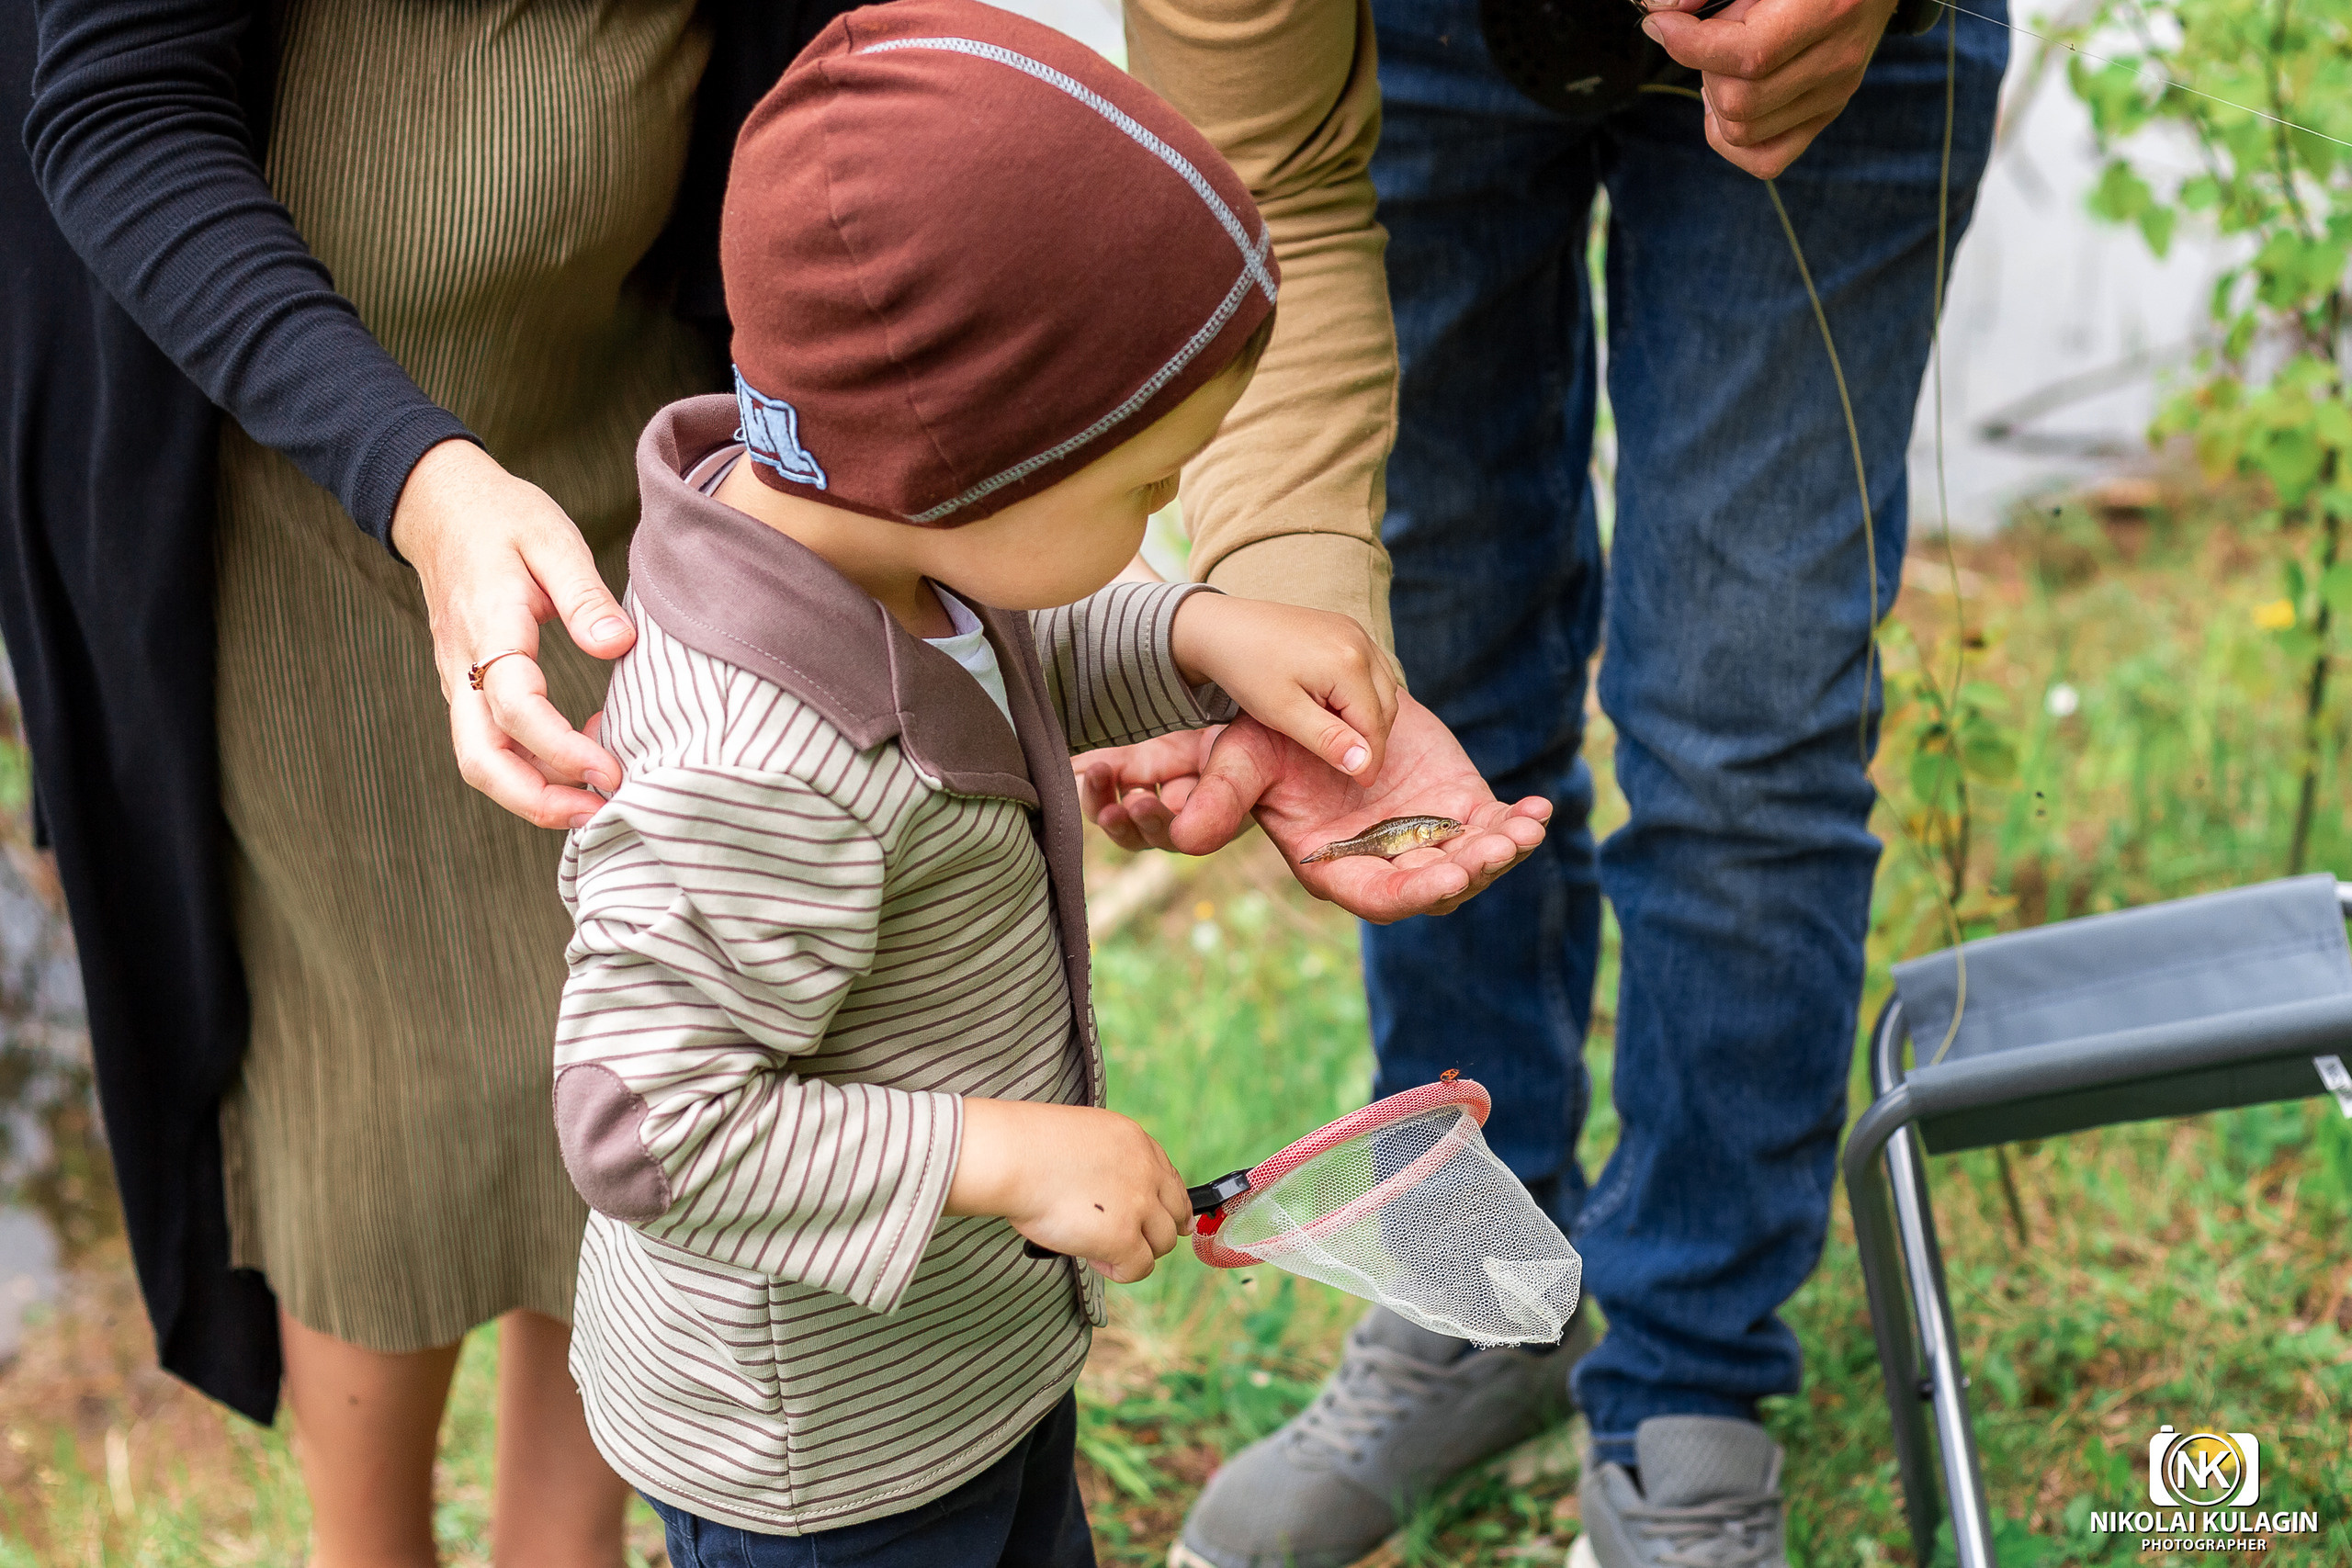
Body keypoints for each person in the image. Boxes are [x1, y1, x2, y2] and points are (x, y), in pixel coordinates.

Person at [1072, 1, 2012, 1565]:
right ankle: (1478, 1304)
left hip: (1828, 42)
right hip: (1394, 45)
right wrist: (1302, 634)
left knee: (1747, 713)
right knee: (1416, 681)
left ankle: (1687, 1386)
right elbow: (1266, 184)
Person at [547, 7, 1456, 1560]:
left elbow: (1016, 620)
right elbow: (643, 1123)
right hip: (823, 1456)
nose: (1166, 511)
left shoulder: (872, 539)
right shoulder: (751, 770)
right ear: (951, 470)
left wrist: (1194, 629)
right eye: (1145, 489)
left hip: (962, 1355)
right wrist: (1001, 1151)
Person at [2, 0, 873, 1560]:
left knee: (632, 1033)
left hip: (641, 464)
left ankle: (567, 1535)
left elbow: (844, 104)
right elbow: (115, 113)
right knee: (374, 1095)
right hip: (280, 479)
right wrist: (416, 479)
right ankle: (368, 1546)